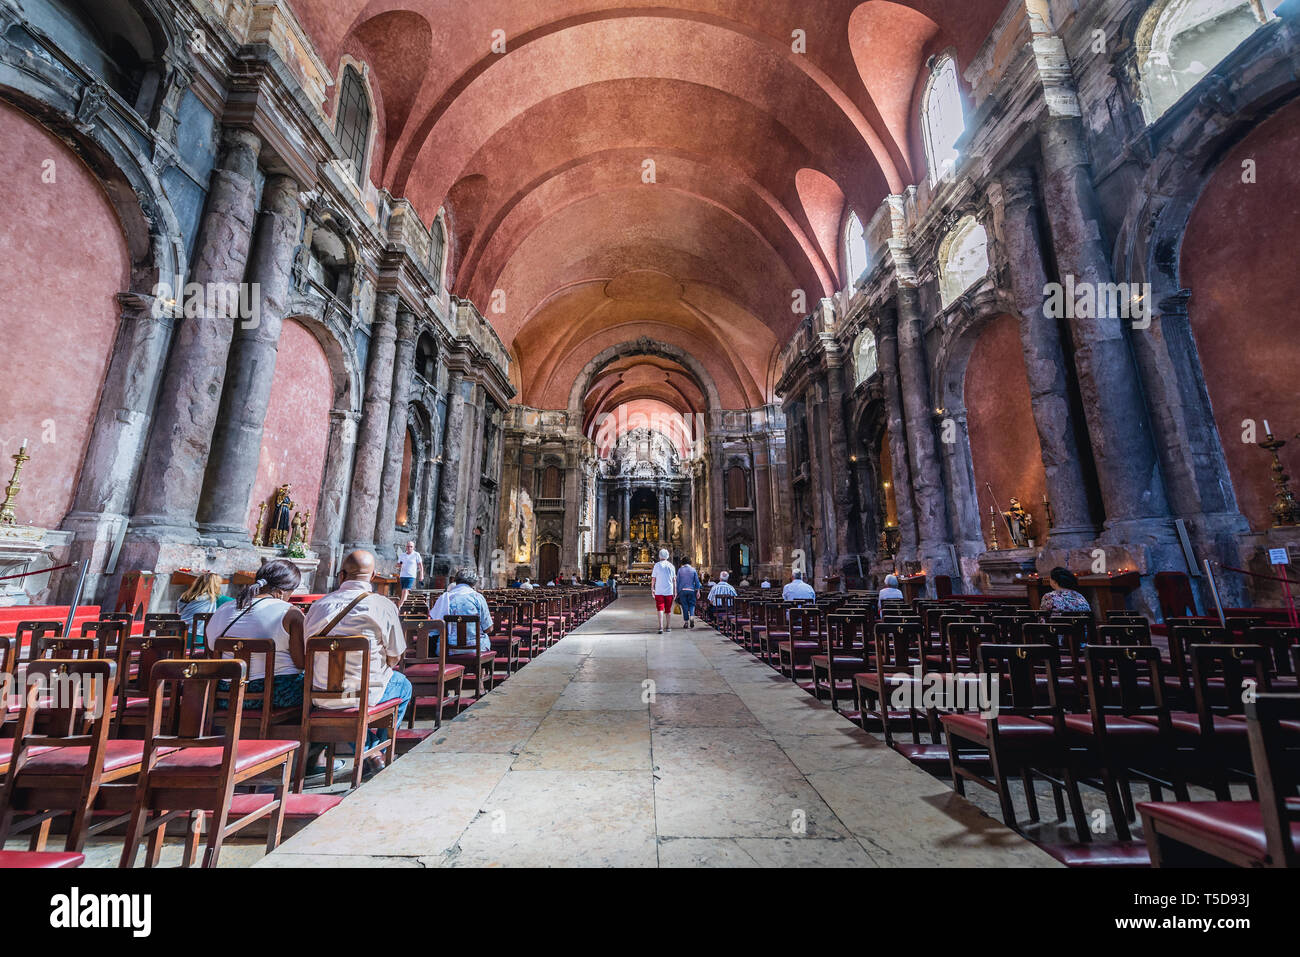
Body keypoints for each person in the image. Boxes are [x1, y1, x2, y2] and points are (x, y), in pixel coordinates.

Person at [304, 551, 411, 778]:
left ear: (341, 575)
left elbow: (306, 651)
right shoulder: (383, 606)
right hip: (365, 695)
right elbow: (395, 656)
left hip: (320, 695)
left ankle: (370, 751)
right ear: (373, 576)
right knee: (403, 685)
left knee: (349, 703)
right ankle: (376, 750)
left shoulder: (318, 606)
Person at [429, 566, 494, 652]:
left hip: (447, 649)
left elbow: (434, 626)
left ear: (456, 581)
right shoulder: (477, 597)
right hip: (476, 648)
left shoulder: (444, 597)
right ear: (473, 583)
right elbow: (488, 629)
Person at [176, 571, 234, 645]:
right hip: (197, 638)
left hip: (178, 635)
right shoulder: (217, 599)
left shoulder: (184, 598)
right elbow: (238, 603)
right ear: (216, 585)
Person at [651, 549, 676, 634]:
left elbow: (653, 578)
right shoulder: (671, 565)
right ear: (667, 556)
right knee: (668, 609)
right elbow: (674, 580)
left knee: (660, 608)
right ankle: (668, 626)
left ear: (659, 556)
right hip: (669, 590)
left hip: (659, 590)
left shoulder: (657, 565)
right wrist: (675, 591)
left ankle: (661, 627)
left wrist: (652, 588)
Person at [395, 541, 423, 609]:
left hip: (411, 575)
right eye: (408, 546)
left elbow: (420, 566)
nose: (409, 548)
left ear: (413, 547)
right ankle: (406, 607)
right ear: (406, 547)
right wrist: (398, 565)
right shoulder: (402, 555)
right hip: (403, 575)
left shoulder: (416, 554)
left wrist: (421, 575)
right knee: (404, 591)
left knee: (405, 589)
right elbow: (398, 565)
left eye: (411, 547)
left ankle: (400, 605)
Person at [676, 559, 702, 629]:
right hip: (691, 590)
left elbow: (677, 582)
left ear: (683, 563)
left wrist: (677, 592)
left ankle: (686, 622)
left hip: (683, 591)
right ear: (690, 562)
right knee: (692, 605)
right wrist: (698, 591)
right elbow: (697, 582)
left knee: (684, 606)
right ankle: (692, 617)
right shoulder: (693, 570)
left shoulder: (680, 570)